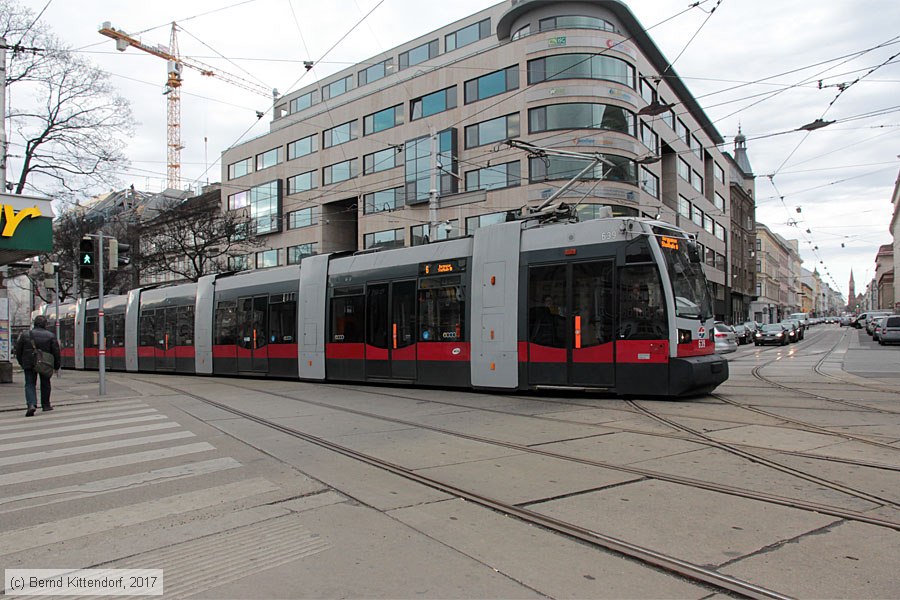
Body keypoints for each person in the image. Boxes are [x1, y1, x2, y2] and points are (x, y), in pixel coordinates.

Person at [14, 315, 61, 417]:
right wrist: (56, 366)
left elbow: (18, 350)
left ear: (34, 324)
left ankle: (31, 404)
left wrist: (21, 362)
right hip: (45, 363)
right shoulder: (50, 336)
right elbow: (56, 352)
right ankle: (46, 405)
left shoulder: (25, 335)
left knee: (30, 384)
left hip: (28, 362)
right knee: (45, 382)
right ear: (45, 324)